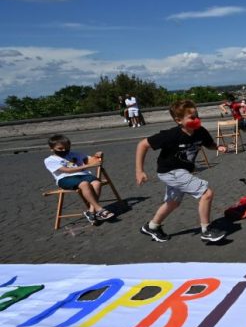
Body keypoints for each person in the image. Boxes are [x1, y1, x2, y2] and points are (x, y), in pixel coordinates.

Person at [136, 99, 227, 242]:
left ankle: (152, 226)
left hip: (181, 172)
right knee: (206, 193)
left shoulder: (200, 132)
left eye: (197, 115)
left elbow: (209, 144)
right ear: (178, 120)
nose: (196, 119)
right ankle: (206, 230)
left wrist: (217, 147)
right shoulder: (170, 135)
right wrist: (139, 171)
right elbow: (142, 145)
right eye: (192, 117)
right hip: (170, 171)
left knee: (173, 202)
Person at [44, 134, 115, 225]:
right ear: (52, 149)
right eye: (60, 149)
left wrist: (98, 156)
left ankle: (91, 211)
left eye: (66, 148)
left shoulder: (75, 154)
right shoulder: (50, 160)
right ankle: (99, 209)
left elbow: (92, 160)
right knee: (84, 184)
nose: (64, 150)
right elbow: (67, 170)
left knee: (97, 182)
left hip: (83, 175)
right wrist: (88, 166)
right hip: (65, 178)